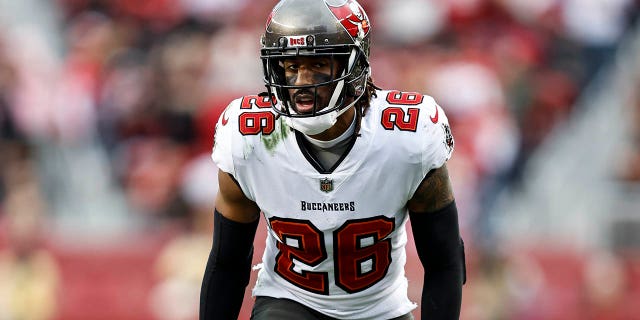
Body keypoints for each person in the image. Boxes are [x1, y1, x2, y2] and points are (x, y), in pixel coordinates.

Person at [200, 0, 466, 319]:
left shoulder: (408, 137)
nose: (301, 83)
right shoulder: (249, 137)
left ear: (353, 67)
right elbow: (227, 262)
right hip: (290, 301)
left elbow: (444, 261)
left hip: (380, 310)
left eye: (318, 65)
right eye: (291, 66)